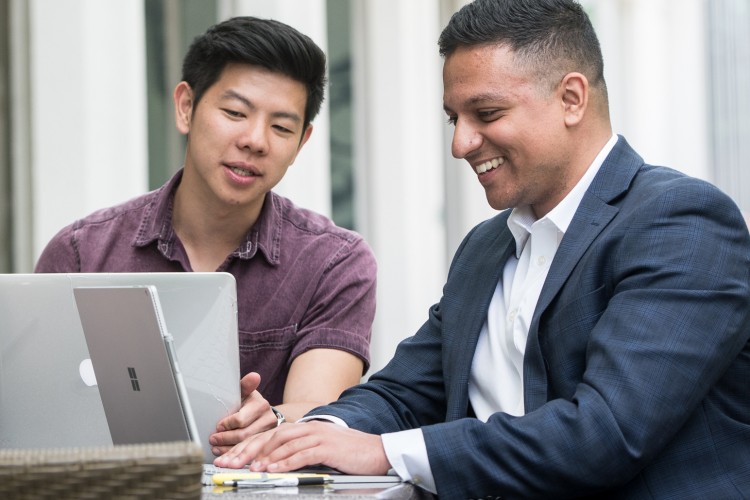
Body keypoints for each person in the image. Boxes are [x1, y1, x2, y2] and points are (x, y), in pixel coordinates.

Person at [213, 0, 750, 498]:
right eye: (454, 119)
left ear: (571, 99)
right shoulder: (486, 247)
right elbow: (403, 394)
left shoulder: (681, 221)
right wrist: (300, 435)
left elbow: (605, 432)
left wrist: (382, 451)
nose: (460, 144)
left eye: (486, 114)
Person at [34, 16, 377, 456]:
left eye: (282, 127)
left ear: (302, 142)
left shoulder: (334, 261)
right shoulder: (84, 252)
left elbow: (317, 409)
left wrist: (274, 418)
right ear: (185, 107)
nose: (254, 140)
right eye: (235, 113)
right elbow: (44, 411)